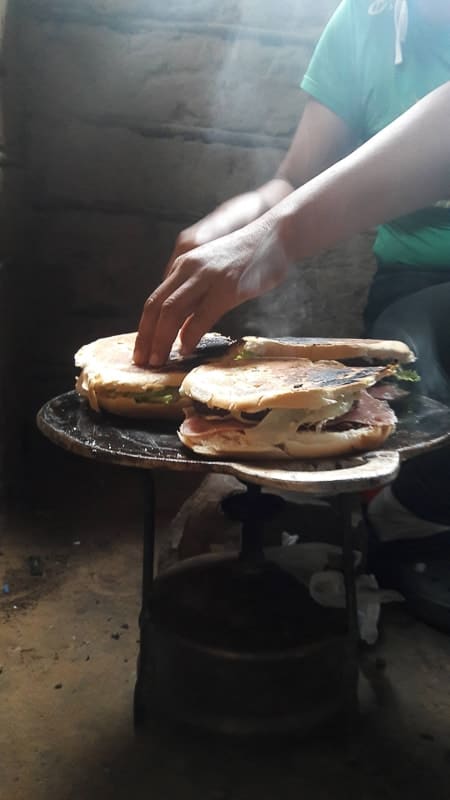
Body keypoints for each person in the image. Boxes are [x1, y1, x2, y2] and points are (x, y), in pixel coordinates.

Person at [134, 1, 450, 625]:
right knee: (414, 373)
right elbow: (293, 180)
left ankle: (413, 520)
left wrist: (276, 237)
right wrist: (239, 221)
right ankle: (410, 517)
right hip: (415, 283)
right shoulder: (365, 19)